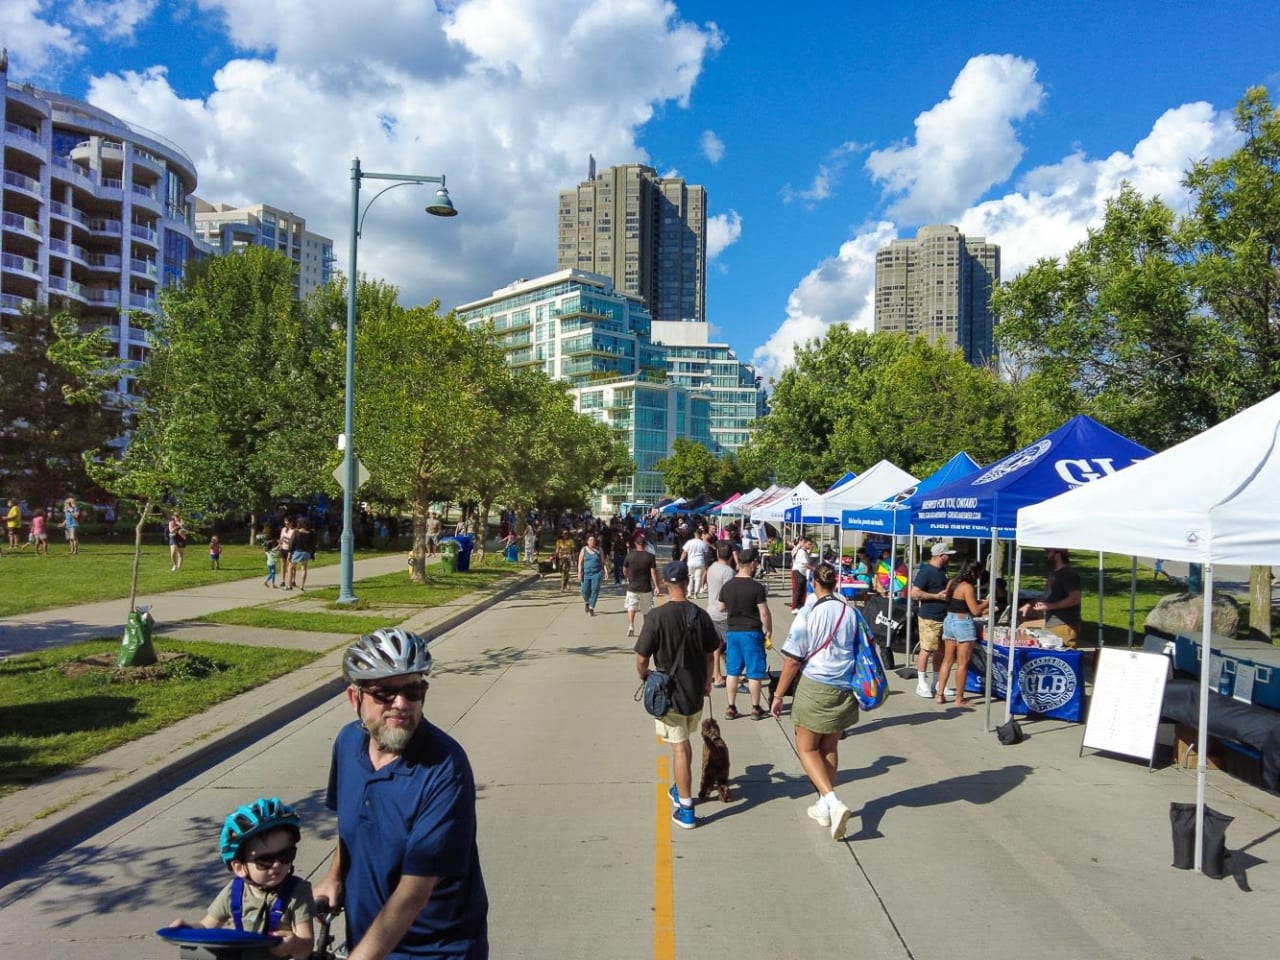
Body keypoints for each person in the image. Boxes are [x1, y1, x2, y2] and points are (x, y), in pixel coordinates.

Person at [315, 628, 488, 959]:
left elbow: (415, 891)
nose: (401, 704)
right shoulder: (348, 744)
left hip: (435, 951)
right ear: (355, 698)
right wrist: (333, 877)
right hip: (366, 943)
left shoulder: (444, 768)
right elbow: (353, 825)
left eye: (414, 690)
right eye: (384, 694)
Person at [770, 562, 862, 840]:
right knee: (829, 745)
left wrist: (777, 695)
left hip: (815, 685)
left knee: (807, 749)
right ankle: (824, 806)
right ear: (836, 582)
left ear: (813, 583)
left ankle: (833, 801)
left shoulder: (809, 612)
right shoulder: (850, 610)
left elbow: (792, 659)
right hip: (844, 685)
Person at [170, 797, 316, 960]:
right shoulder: (234, 892)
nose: (276, 864)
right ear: (239, 868)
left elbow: (307, 945)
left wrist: (294, 944)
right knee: (196, 955)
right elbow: (206, 926)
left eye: (285, 855)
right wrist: (188, 930)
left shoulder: (297, 893)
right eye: (265, 861)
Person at [634, 560, 721, 830]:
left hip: (669, 694)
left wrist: (645, 676)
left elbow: (641, 658)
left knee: (679, 748)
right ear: (687, 582)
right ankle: (679, 787)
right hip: (694, 691)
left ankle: (686, 808)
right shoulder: (699, 615)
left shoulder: (657, 617)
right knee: (684, 742)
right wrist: (708, 681)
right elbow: (711, 654)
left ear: (664, 583)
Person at [718, 547, 773, 720]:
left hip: (733, 632)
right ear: (752, 564)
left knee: (733, 671)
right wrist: (768, 630)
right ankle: (756, 708)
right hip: (752, 633)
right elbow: (764, 612)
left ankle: (731, 707)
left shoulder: (728, 586)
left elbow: (721, 607)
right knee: (754, 673)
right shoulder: (756, 588)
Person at [936, 560, 988, 707]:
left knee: (947, 660)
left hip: (949, 620)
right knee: (962, 663)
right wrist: (987, 602)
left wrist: (976, 601)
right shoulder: (968, 587)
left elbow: (954, 600)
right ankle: (959, 699)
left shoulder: (952, 582)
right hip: (963, 623)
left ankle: (940, 694)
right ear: (974, 573)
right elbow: (976, 611)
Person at [1018, 547, 1083, 647]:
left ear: (1058, 554)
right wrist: (1028, 605)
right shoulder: (1054, 574)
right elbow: (1045, 595)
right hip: (1051, 621)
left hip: (1064, 623)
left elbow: (1075, 598)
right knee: (1022, 629)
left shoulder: (1069, 574)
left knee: (1029, 637)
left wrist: (1050, 606)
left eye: (1048, 552)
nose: (1046, 556)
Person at [910, 543, 952, 698]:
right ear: (941, 555)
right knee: (926, 649)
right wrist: (936, 596)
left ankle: (938, 682)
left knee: (941, 650)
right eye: (948, 555)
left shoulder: (943, 571)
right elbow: (915, 593)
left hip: (944, 615)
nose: (950, 557)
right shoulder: (926, 571)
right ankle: (921, 684)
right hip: (929, 616)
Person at [704, 541, 737, 685]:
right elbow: (729, 594)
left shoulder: (712, 567)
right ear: (731, 557)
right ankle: (732, 674)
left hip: (711, 611)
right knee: (732, 647)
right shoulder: (729, 572)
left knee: (716, 646)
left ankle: (717, 675)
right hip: (724, 614)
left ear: (718, 554)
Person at [623, 532, 660, 637]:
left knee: (631, 606)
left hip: (632, 586)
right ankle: (645, 629)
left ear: (636, 544)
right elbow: (653, 572)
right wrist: (656, 586)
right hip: (646, 586)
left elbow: (624, 569)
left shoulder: (630, 555)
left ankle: (631, 625)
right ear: (645, 545)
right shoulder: (650, 557)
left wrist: (628, 577)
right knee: (646, 609)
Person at [577, 532, 605, 616]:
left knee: (595, 590)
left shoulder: (599, 550)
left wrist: (606, 571)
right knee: (584, 591)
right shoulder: (584, 550)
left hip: (597, 573)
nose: (592, 541)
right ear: (587, 541)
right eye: (590, 540)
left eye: (593, 540)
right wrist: (579, 573)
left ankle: (591, 607)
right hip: (586, 574)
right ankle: (587, 602)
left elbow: (603, 562)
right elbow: (580, 562)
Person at [681, 528, 711, 598]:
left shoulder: (689, 542)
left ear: (695, 534)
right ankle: (695, 594)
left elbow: (684, 552)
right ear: (701, 535)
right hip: (700, 562)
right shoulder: (703, 544)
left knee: (690, 578)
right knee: (698, 578)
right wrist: (705, 564)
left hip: (691, 562)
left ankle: (689, 593)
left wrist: (681, 561)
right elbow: (705, 555)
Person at [289, 519, 315, 591]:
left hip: (298, 551)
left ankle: (290, 585)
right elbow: (313, 545)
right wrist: (312, 554)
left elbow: (292, 543)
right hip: (306, 552)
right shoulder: (310, 533)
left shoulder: (296, 532)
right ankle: (302, 586)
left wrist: (290, 552)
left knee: (291, 567)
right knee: (304, 569)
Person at [790, 535, 813, 612]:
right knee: (798, 589)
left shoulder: (804, 551)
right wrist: (814, 569)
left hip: (802, 572)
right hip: (798, 571)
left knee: (801, 589)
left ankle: (799, 605)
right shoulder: (801, 551)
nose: (810, 546)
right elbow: (806, 564)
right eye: (809, 544)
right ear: (804, 543)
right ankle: (795, 607)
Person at [277, 518, 295, 590]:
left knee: (291, 566)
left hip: (289, 549)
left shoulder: (293, 531)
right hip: (283, 548)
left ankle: (293, 580)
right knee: (283, 565)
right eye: (285, 523)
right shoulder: (283, 529)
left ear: (291, 523)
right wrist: (280, 544)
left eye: (288, 523)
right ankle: (283, 580)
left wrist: (287, 540)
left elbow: (292, 541)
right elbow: (281, 538)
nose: (286, 525)